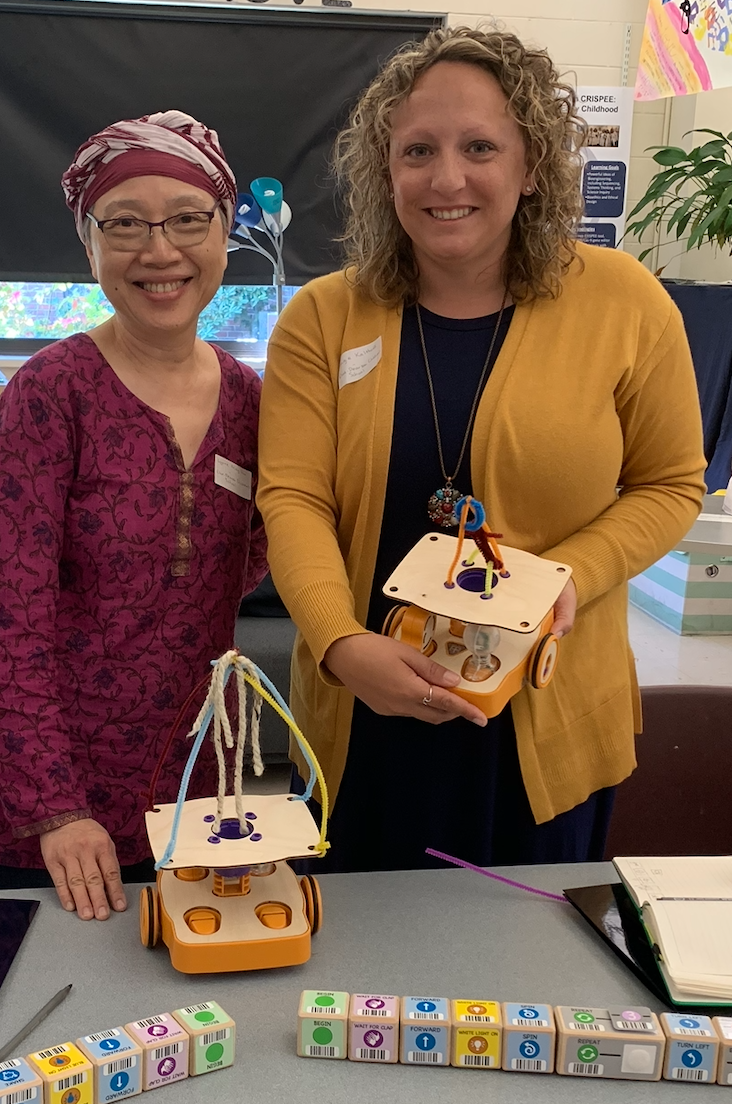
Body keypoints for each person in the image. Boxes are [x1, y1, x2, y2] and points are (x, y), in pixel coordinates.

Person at [257, 28, 707, 873]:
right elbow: (293, 498)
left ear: (532, 166)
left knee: (533, 978)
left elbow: (672, 483)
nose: (447, 178)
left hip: (544, 707)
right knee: (361, 984)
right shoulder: (322, 318)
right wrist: (341, 644)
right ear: (383, 171)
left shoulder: (625, 303)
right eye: (417, 150)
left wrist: (567, 576)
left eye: (480, 147)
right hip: (367, 708)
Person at [0, 111, 268, 920]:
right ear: (87, 244)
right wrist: (54, 806)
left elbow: (266, 551)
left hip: (189, 773)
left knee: (179, 1019)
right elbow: (3, 618)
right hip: (49, 783)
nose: (159, 251)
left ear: (226, 231)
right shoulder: (50, 397)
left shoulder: (251, 401)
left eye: (189, 220)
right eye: (125, 224)